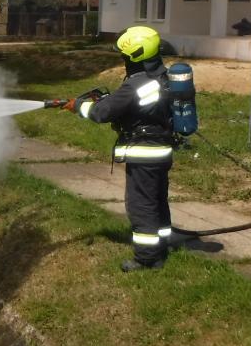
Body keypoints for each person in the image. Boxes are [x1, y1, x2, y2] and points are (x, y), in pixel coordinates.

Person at [65, 26, 173, 272]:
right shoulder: (160, 78)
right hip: (162, 151)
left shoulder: (135, 85)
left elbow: (102, 113)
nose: (123, 60)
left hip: (144, 152)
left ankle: (146, 258)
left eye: (124, 56)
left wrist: (78, 106)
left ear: (134, 55)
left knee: (141, 205)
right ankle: (162, 245)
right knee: (157, 200)